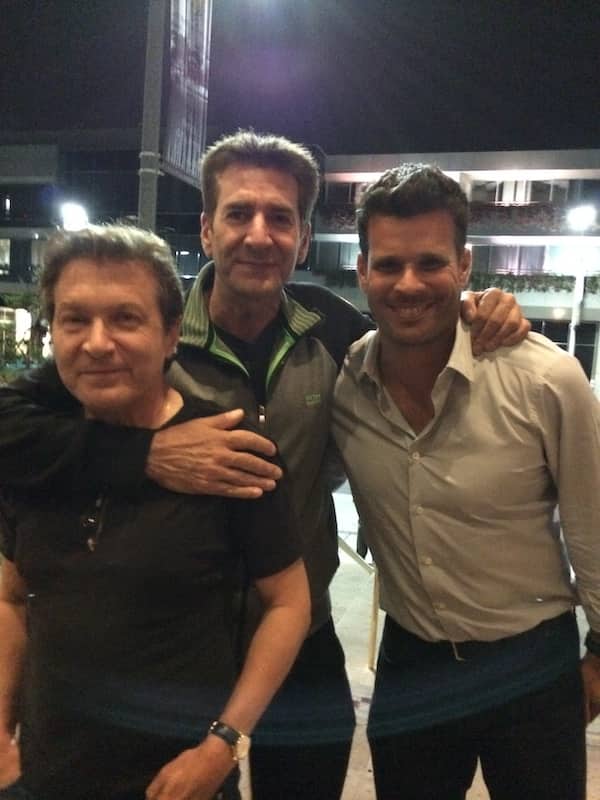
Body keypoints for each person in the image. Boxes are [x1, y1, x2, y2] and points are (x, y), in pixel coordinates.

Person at [0, 131, 529, 800]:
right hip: (179, 650)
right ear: (207, 227)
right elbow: (12, 422)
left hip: (298, 637)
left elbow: (417, 333)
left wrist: (479, 308)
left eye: (280, 217)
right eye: (239, 213)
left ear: (304, 240)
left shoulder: (333, 328)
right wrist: (145, 455)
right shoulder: (143, 332)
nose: (258, 234)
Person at [0, 224, 311, 800]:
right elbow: (11, 598)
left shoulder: (230, 451)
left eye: (125, 318)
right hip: (45, 776)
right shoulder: (38, 451)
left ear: (171, 335)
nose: (97, 343)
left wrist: (224, 744)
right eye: (74, 320)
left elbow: (288, 604)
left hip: (178, 779)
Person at [332, 163, 600, 800]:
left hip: (531, 666)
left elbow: (594, 530)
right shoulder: (345, 385)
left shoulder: (546, 380)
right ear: (362, 270)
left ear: (464, 266)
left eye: (430, 263)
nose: (409, 283)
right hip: (412, 665)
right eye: (389, 265)